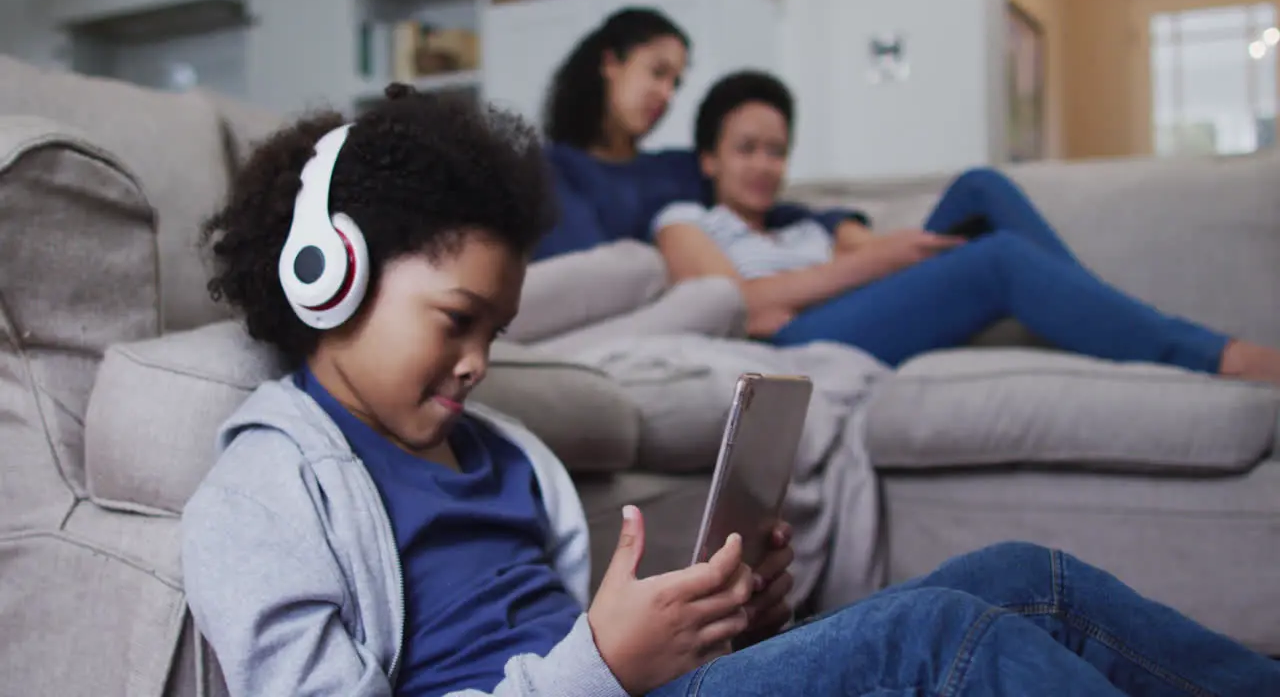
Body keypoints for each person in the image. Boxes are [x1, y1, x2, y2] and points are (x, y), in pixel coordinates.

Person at [179, 84, 1280, 697]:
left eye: (496, 330)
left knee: (1023, 579)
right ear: (326, 278)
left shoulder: (499, 451)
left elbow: (590, 649)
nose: (477, 360)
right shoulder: (265, 491)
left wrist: (730, 619)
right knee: (937, 642)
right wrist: (599, 667)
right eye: (456, 323)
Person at [652, 70, 1280, 382]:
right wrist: (873, 263)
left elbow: (883, 256)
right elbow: (741, 308)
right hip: (796, 346)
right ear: (709, 157)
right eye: (747, 148)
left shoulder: (807, 227)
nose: (765, 165)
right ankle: (1214, 355)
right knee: (998, 260)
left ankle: (1109, 315)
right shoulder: (684, 221)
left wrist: (871, 257)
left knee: (981, 186)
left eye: (777, 150)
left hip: (851, 307)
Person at [537, 7, 856, 261]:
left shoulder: (680, 170)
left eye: (675, 83)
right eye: (658, 72)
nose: (666, 94)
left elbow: (759, 206)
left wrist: (838, 225)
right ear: (610, 63)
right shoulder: (552, 171)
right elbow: (583, 272)